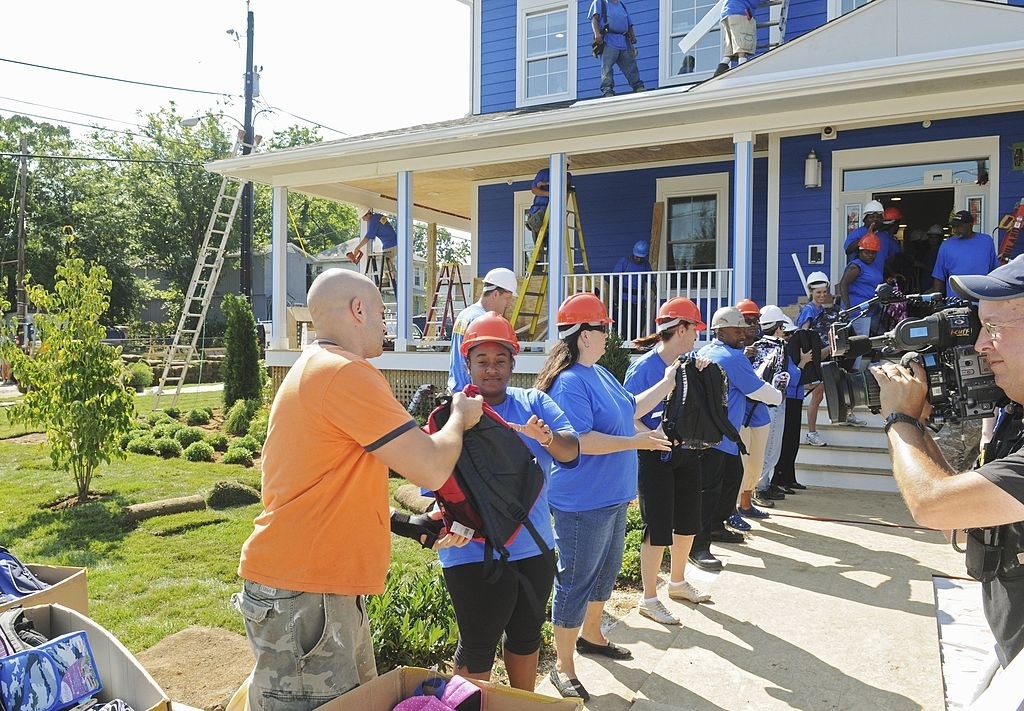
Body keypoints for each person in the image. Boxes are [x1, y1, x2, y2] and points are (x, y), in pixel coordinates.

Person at [233, 268, 483, 711]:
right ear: (358, 309)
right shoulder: (345, 373)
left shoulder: (311, 369)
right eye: (382, 312)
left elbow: (320, 485)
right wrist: (460, 417)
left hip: (313, 589)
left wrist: (405, 523)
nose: (386, 324)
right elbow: (429, 467)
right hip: (307, 597)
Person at [873, 256, 1024, 673]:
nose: (979, 345)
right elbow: (956, 519)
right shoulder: (1016, 416)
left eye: (993, 328)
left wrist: (899, 420)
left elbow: (932, 505)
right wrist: (917, 426)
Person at [535, 292, 673, 701]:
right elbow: (581, 441)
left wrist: (668, 381)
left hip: (611, 496)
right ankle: (563, 665)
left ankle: (591, 635)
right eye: (602, 328)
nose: (608, 336)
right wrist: (639, 442)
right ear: (582, 334)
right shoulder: (570, 382)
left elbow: (632, 408)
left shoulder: (601, 374)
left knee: (605, 573)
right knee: (576, 580)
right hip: (583, 501)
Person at [437, 312, 580, 691]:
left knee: (526, 636)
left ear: (513, 363)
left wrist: (546, 438)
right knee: (478, 646)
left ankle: (522, 702)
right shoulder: (452, 414)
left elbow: (572, 453)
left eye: (500, 361)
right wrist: (439, 522)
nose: (492, 370)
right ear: (467, 364)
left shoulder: (534, 401)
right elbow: (431, 484)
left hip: (533, 548)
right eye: (481, 361)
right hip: (472, 553)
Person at [624, 297, 713, 627]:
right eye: (694, 329)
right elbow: (626, 414)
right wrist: (646, 437)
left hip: (687, 451)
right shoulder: (644, 367)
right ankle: (649, 598)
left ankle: (677, 582)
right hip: (654, 456)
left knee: (688, 522)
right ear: (681, 328)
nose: (697, 336)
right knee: (657, 529)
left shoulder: (689, 361)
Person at [690, 306, 783, 572]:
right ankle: (698, 546)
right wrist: (779, 395)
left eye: (744, 328)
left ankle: (717, 528)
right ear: (721, 330)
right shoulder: (733, 357)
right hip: (719, 437)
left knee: (732, 479)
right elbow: (759, 390)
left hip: (715, 434)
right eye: (737, 329)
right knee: (709, 492)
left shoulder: (707, 350)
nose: (743, 333)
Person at [750, 307, 807, 506]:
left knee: (763, 447)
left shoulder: (756, 345)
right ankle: (760, 487)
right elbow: (785, 377)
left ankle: (761, 484)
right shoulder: (779, 348)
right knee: (770, 447)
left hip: (756, 402)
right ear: (779, 327)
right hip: (772, 402)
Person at [448, 267, 518, 392]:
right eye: (507, 298)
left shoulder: (465, 314)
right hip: (474, 394)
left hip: (457, 391)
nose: (507, 304)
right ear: (495, 294)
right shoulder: (482, 321)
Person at [838, 232, 884, 366]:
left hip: (871, 309)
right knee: (858, 343)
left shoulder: (872, 266)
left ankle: (872, 369)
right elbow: (843, 284)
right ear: (860, 251)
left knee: (876, 340)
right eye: (867, 252)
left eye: (873, 253)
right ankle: (854, 372)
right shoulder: (856, 266)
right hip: (857, 311)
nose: (870, 255)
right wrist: (847, 306)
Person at [931, 210, 1000, 297]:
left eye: (959, 227)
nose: (955, 230)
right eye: (953, 227)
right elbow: (939, 276)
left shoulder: (986, 241)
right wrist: (935, 300)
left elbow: (994, 272)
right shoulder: (946, 245)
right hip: (956, 303)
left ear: (971, 224)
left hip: (982, 299)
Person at [589, 0, 644, 97]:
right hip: (608, 40)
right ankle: (607, 90)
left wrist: (633, 37)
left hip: (623, 40)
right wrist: (597, 34)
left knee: (631, 65)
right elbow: (594, 19)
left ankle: (637, 86)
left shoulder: (621, 5)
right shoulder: (599, 2)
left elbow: (629, 23)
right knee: (607, 67)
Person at [611, 240, 654, 342]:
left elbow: (651, 281)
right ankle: (626, 344)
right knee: (627, 322)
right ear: (633, 253)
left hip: (639, 298)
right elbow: (615, 279)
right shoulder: (624, 262)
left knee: (640, 320)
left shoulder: (645, 265)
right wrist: (615, 298)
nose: (638, 259)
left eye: (641, 257)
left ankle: (635, 343)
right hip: (625, 297)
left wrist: (656, 293)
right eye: (636, 256)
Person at [713, 0, 757, 77]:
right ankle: (742, 66)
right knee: (742, 40)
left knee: (730, 42)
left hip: (726, 13)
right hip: (739, 11)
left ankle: (722, 66)